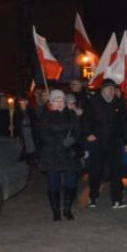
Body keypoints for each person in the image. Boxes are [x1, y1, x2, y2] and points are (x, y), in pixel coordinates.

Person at [82, 79, 127, 209]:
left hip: (114, 142)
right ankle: (93, 197)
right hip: (98, 142)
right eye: (108, 88)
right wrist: (88, 133)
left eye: (113, 88)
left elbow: (124, 124)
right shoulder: (93, 101)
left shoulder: (118, 103)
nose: (111, 90)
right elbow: (86, 119)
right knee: (96, 171)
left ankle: (117, 200)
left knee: (117, 171)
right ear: (103, 89)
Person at [36, 89, 81, 221]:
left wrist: (73, 140)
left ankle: (67, 209)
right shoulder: (46, 116)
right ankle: (56, 211)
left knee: (71, 182)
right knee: (53, 183)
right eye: (56, 100)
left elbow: (78, 131)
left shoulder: (71, 114)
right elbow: (44, 136)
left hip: (69, 155)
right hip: (52, 153)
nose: (59, 103)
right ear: (51, 102)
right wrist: (61, 143)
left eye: (61, 100)